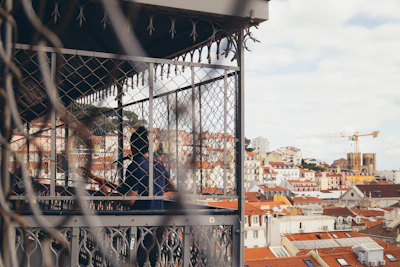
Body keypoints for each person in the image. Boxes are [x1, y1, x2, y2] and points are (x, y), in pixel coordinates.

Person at [81, 126, 175, 209]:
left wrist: (107, 195)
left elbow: (130, 199)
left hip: (140, 218)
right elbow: (171, 186)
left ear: (132, 147)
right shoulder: (158, 163)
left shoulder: (134, 166)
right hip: (158, 216)